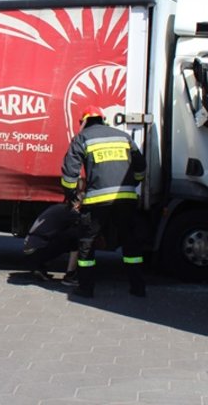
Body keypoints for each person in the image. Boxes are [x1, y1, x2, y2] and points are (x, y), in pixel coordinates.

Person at [60, 106, 147, 298]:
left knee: (86, 245)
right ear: (103, 119)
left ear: (84, 122)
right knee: (130, 244)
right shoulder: (123, 136)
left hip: (96, 202)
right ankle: (138, 287)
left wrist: (71, 195)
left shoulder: (82, 138)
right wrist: (134, 182)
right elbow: (141, 165)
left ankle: (86, 288)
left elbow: (69, 174)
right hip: (125, 200)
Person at [23, 200, 82, 285]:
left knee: (55, 234)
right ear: (77, 204)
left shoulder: (56, 208)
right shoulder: (71, 212)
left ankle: (40, 267)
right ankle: (70, 276)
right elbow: (87, 225)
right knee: (76, 236)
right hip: (37, 251)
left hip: (28, 250)